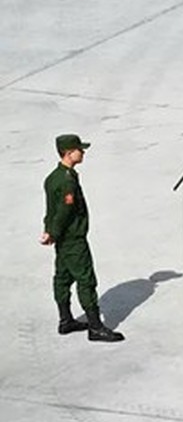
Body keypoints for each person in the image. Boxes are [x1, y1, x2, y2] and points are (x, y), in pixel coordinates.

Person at [40, 134, 124, 342]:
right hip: (73, 239)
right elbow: (64, 211)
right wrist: (55, 231)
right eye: (79, 149)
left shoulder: (53, 177)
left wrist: (49, 231)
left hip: (62, 240)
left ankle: (65, 320)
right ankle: (95, 327)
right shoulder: (67, 180)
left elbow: (50, 211)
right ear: (69, 153)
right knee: (86, 280)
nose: (83, 152)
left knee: (63, 277)